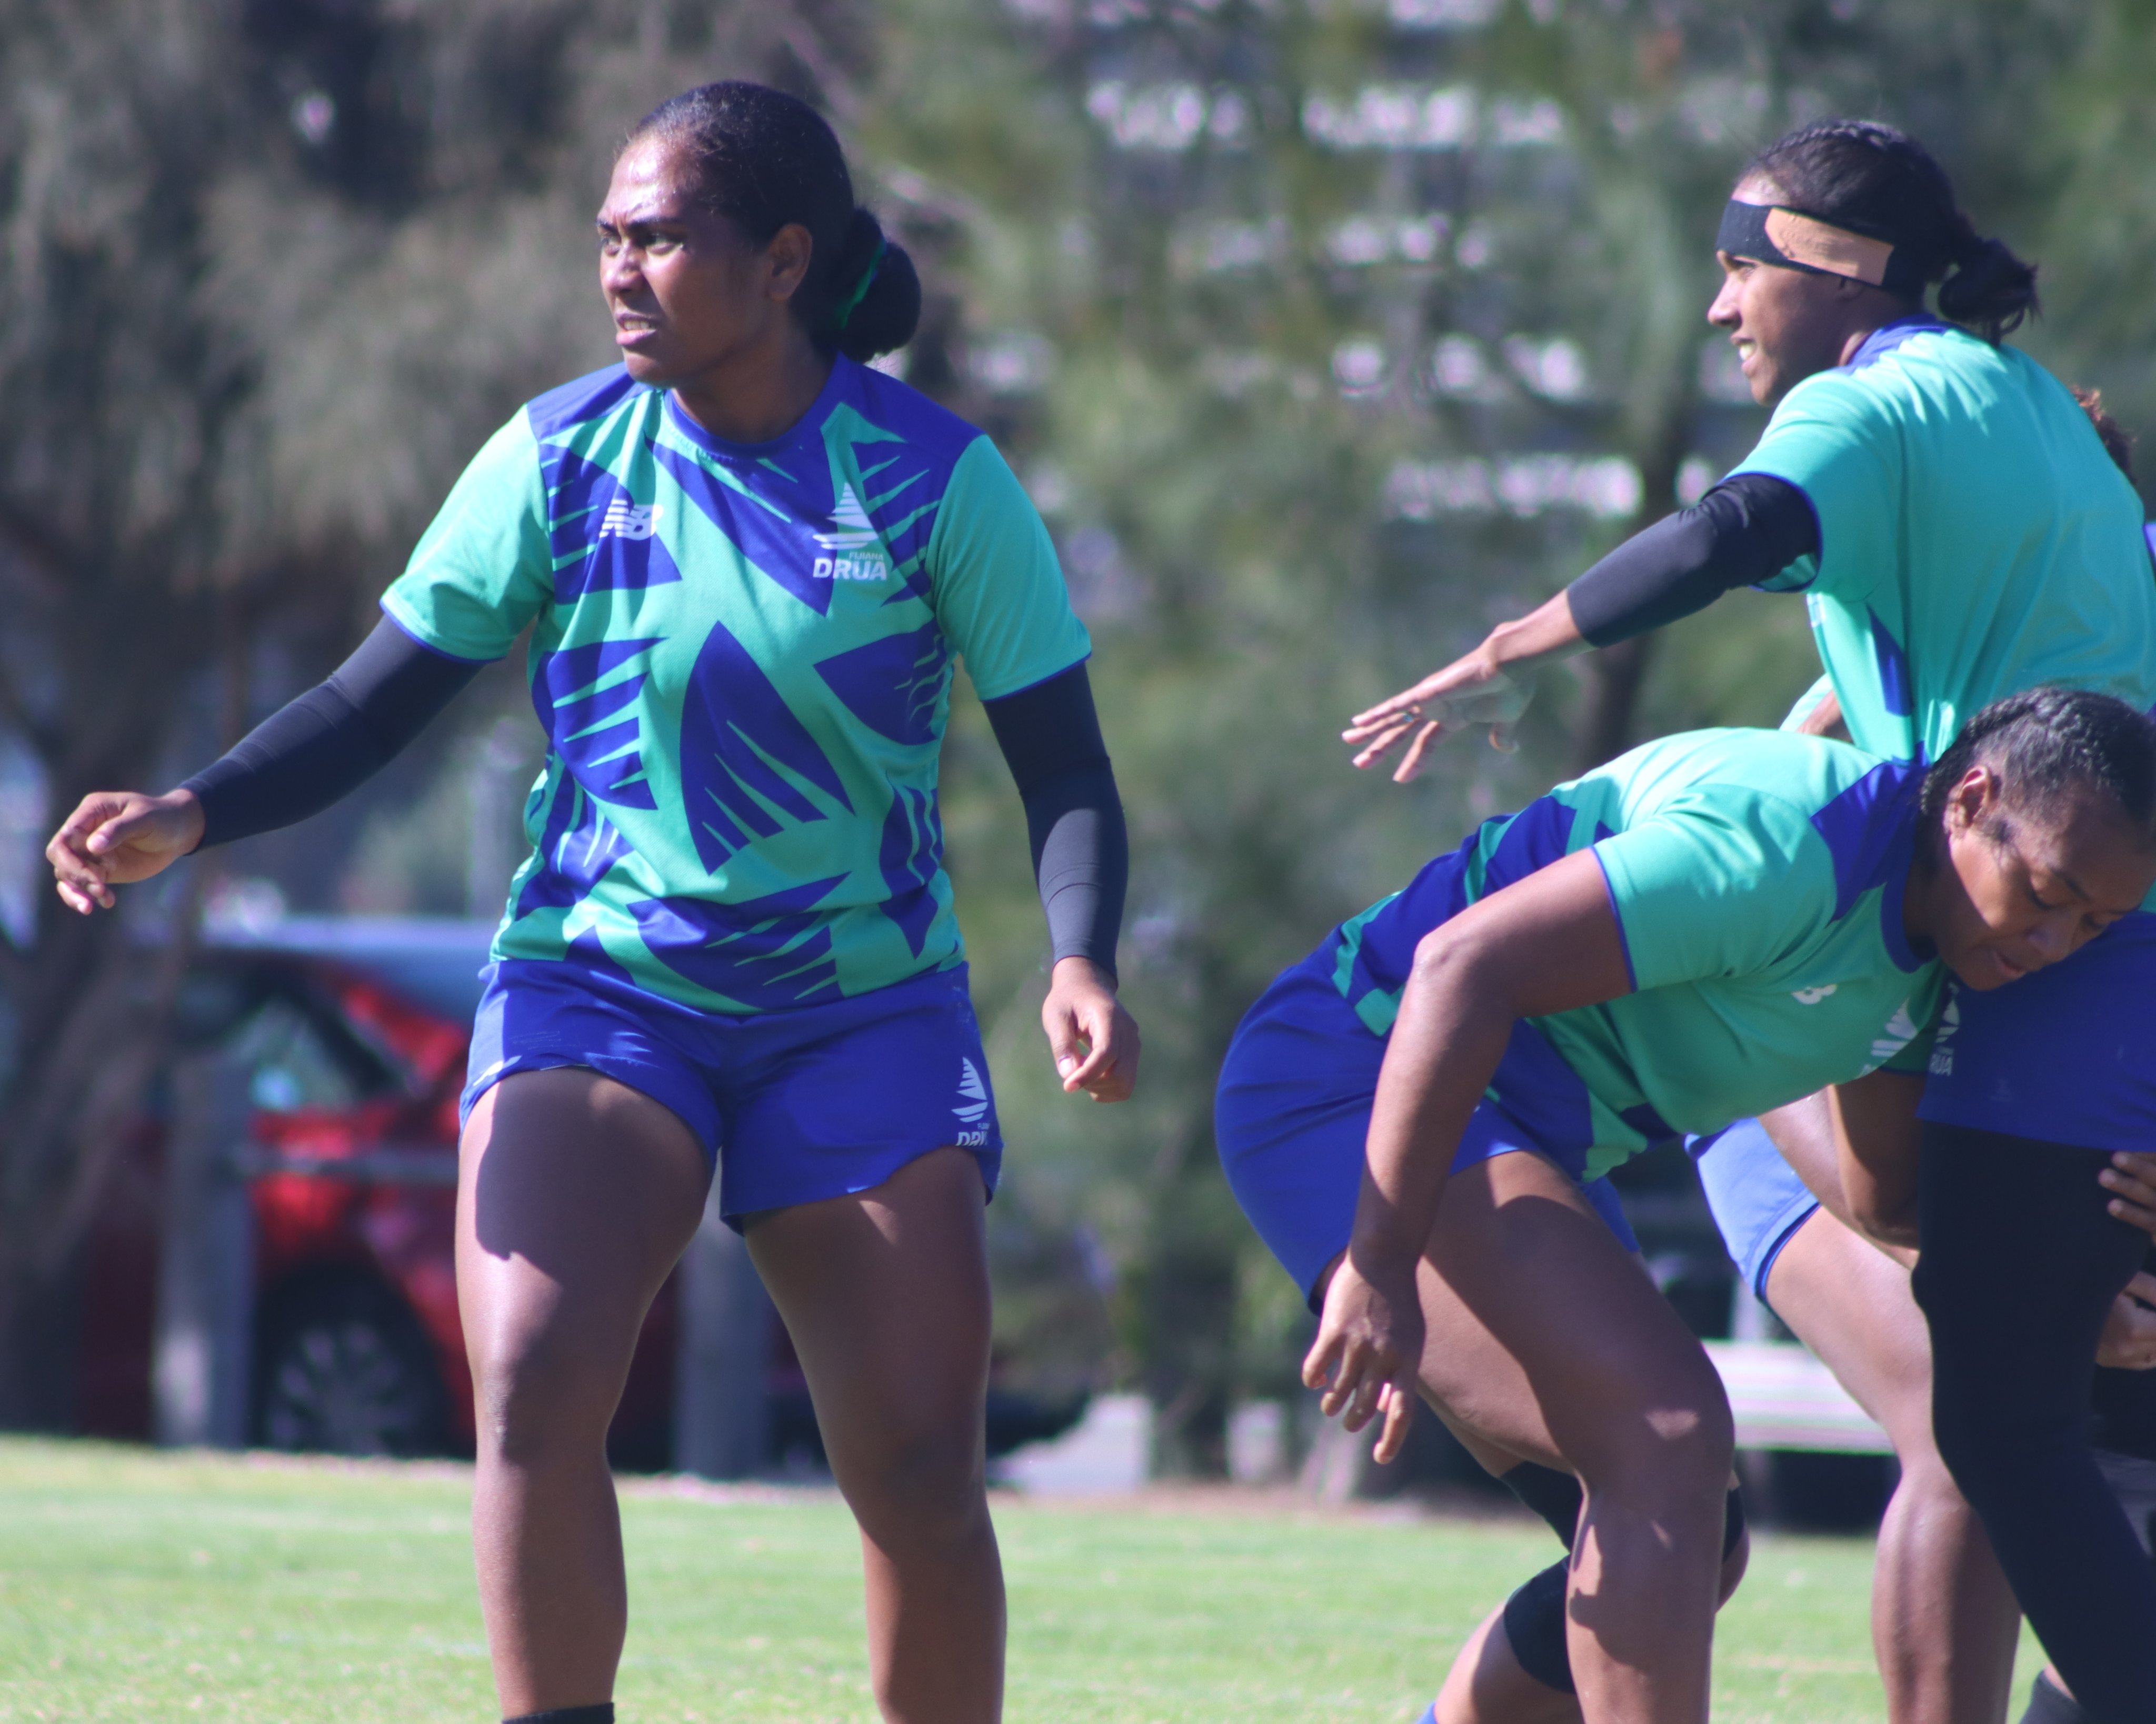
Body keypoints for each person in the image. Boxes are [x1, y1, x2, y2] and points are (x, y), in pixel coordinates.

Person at [44, 82, 1137, 1724]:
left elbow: (1066, 766)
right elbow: (373, 700)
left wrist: (1082, 956)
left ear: (782, 262)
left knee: (918, 1454)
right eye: (607, 237)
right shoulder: (558, 457)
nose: (619, 268)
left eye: (659, 235)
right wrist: (195, 814)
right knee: (538, 1374)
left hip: (858, 1003)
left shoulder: (933, 482)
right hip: (601, 987)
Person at [1341, 119, 2156, 1719]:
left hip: (1914, 1021)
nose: (1719, 312)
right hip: (1796, 1044)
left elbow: (1742, 532)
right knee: (1966, 1406)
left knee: (2039, 1406)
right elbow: (1736, 545)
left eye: (1737, 271)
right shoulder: (1888, 759)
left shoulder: (2064, 765)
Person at [1219, 688, 2156, 1724]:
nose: (2051, 944)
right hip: (1348, 1071)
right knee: (1660, 1442)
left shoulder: (1945, 965)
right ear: (1970, 798)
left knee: (1690, 1538)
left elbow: (1883, 1203)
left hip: (1528, 1140)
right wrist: (1381, 1263)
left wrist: (2044, 1305)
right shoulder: (1786, 848)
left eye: (2093, 923)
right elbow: (1458, 966)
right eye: (2043, 891)